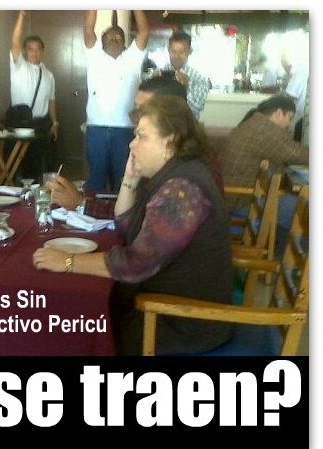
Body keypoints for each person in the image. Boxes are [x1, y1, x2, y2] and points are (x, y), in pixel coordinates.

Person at [34, 96, 233, 356]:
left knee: (73, 325)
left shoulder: (182, 189)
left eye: (141, 136)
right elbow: (126, 226)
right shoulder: (175, 173)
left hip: (180, 321)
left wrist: (68, 261)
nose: (132, 143)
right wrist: (130, 178)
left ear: (170, 143)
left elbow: (135, 264)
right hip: (170, 306)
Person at [50, 75, 189, 215]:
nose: (135, 116)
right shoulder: (155, 156)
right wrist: (129, 180)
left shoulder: (182, 182)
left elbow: (138, 222)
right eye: (136, 108)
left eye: (143, 110)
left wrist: (81, 204)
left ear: (171, 117)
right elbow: (128, 217)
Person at [84, 9, 149, 191]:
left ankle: (120, 210)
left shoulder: (132, 59)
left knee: (123, 178)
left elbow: (144, 31)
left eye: (119, 36)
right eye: (109, 36)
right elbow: (88, 30)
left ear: (125, 43)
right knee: (96, 179)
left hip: (125, 130)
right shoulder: (94, 56)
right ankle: (93, 209)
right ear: (102, 41)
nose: (114, 38)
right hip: (96, 128)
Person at [219, 93, 309, 210]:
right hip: (241, 201)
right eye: (290, 118)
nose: (289, 124)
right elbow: (296, 154)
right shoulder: (265, 130)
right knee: (308, 207)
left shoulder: (256, 123)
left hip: (234, 195)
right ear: (278, 113)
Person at [9, 10, 58, 181]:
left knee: (38, 167)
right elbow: (15, 42)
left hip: (41, 125)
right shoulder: (19, 67)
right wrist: (21, 16)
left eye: (38, 50)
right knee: (16, 166)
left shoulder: (49, 75)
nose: (35, 53)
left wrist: (55, 123)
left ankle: (34, 195)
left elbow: (52, 100)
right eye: (31, 49)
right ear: (24, 51)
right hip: (19, 124)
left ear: (42, 52)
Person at [156, 31, 209, 118]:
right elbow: (148, 106)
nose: (177, 56)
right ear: (168, 50)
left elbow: (197, 108)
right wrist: (153, 85)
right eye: (173, 51)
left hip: (187, 125)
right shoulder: (159, 74)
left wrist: (185, 88)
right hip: (162, 124)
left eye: (181, 52)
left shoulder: (198, 78)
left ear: (190, 51)